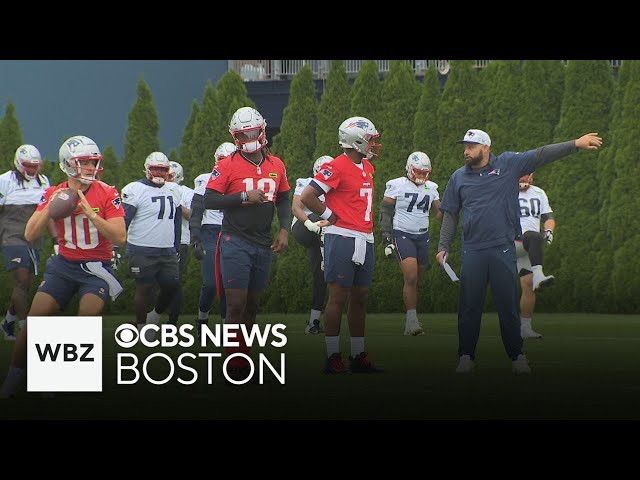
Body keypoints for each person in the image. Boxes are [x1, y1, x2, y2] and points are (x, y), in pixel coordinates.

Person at [436, 129, 602, 375]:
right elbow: (450, 214)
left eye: (471, 146)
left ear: (485, 147)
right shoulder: (458, 177)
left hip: (503, 248)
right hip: (473, 251)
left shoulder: (509, 164)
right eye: (465, 146)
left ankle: (517, 356)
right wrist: (442, 246)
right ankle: (466, 356)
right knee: (469, 307)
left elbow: (541, 154)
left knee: (508, 306)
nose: (466, 150)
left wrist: (575, 144)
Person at [0, 135, 126, 397]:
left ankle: (55, 378)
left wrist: (92, 215)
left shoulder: (107, 192)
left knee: (86, 319)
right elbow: (30, 233)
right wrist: (51, 206)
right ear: (68, 164)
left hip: (96, 268)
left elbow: (120, 237)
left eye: (93, 162)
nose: (92, 168)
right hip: (64, 265)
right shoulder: (52, 191)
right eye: (85, 163)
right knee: (34, 321)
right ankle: (13, 379)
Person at [203, 107, 290, 382]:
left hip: (263, 242)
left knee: (252, 306)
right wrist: (242, 196)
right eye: (244, 134)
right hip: (234, 240)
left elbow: (285, 198)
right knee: (236, 304)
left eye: (253, 132)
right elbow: (210, 199)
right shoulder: (227, 164)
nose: (250, 137)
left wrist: (285, 230)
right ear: (235, 136)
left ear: (263, 131)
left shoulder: (276, 164)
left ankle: (244, 356)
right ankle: (233, 361)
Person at [300, 116, 384, 374]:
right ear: (356, 140)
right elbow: (308, 195)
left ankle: (358, 355)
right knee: (337, 296)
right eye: (369, 139)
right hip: (342, 236)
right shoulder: (336, 166)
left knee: (360, 298)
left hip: (365, 237)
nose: (372, 144)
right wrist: (328, 215)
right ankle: (333, 355)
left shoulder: (367, 167)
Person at [379, 151, 441, 336]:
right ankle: (411, 321)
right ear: (409, 169)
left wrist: (454, 204)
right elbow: (385, 211)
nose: (422, 176)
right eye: (418, 172)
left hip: (423, 236)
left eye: (424, 172)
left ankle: (411, 317)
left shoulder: (432, 187)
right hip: (402, 234)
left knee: (416, 280)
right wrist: (386, 237)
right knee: (411, 277)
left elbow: (439, 213)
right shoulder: (396, 185)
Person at [121, 152, 182, 338]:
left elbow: (177, 220)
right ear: (147, 169)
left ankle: (153, 316)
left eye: (162, 169)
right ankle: (141, 328)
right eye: (155, 168)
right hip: (141, 248)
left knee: (172, 285)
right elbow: (124, 220)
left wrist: (176, 246)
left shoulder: (174, 189)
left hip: (167, 249)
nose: (158, 173)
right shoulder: (135, 189)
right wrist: (116, 246)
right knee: (144, 288)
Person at [0, 145, 51, 341]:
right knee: (21, 280)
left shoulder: (44, 180)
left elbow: (48, 212)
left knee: (26, 285)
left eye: (35, 166)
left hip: (34, 236)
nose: (31, 170)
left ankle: (7, 322)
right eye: (28, 165)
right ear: (19, 164)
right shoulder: (4, 181)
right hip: (11, 235)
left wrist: (56, 240)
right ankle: (26, 328)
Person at [189, 142, 234, 336]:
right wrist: (195, 237)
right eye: (222, 160)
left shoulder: (241, 180)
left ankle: (227, 326)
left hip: (233, 233)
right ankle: (202, 318)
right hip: (210, 233)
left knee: (229, 284)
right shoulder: (205, 180)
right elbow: (196, 211)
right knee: (210, 283)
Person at [291, 154, 333, 334]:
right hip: (303, 227)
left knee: (320, 277)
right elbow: (296, 207)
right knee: (321, 218)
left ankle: (313, 322)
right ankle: (328, 255)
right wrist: (310, 224)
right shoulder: (306, 182)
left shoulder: (337, 188)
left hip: (324, 233)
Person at [516, 173, 556, 339]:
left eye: (525, 175)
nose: (522, 179)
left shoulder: (539, 192)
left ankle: (525, 328)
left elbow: (548, 217)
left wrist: (549, 230)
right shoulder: (503, 190)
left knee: (528, 284)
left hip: (528, 246)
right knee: (534, 236)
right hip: (509, 240)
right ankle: (539, 274)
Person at [164, 161, 193, 326]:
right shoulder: (155, 189)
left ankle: (172, 322)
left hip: (180, 240)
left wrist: (177, 204)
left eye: (170, 175)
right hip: (157, 240)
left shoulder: (186, 192)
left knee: (174, 281)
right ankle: (147, 319)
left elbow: (193, 215)